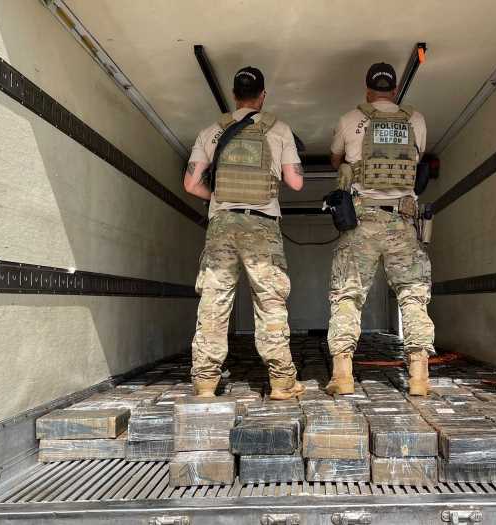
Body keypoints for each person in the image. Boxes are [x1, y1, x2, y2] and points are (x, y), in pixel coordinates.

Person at [183, 66, 305, 399]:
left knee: (214, 302)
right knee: (270, 303)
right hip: (262, 226)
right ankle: (282, 383)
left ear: (234, 95)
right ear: (262, 96)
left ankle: (205, 383)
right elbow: (296, 182)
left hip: (222, 224)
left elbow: (191, 184)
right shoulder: (279, 129)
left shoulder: (210, 131)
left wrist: (219, 197)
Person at [325, 62, 435, 396]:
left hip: (362, 221)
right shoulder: (415, 120)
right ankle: (418, 376)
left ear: (368, 90)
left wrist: (350, 165)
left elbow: (336, 160)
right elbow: (418, 159)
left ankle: (342, 376)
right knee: (412, 294)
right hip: (402, 220)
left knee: (348, 294)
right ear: (396, 88)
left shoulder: (350, 119)